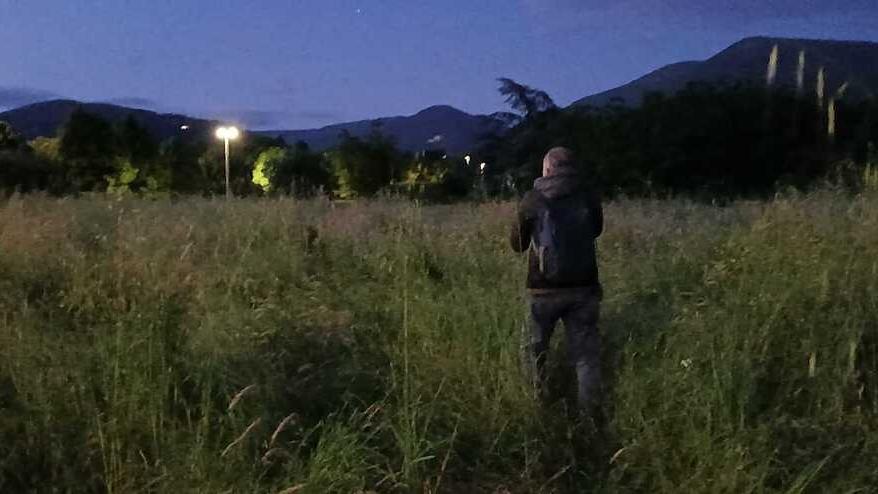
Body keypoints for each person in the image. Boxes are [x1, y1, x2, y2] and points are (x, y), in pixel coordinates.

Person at [510, 147, 604, 418]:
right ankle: (589, 417)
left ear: (548, 169)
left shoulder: (532, 199)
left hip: (543, 288)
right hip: (584, 287)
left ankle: (537, 409)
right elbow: (596, 230)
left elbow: (517, 244)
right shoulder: (588, 196)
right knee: (585, 357)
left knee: (534, 352)